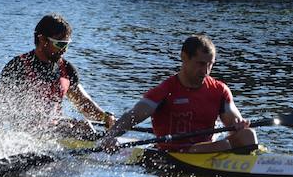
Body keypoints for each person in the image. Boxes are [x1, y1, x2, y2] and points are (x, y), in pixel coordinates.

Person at [100, 35, 257, 153]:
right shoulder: (165, 90)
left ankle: (258, 165)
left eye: (210, 65)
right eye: (201, 64)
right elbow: (132, 116)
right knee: (223, 145)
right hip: (177, 151)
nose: (205, 71)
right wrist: (110, 137)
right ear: (184, 57)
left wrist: (238, 126)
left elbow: (233, 122)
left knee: (248, 135)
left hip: (208, 148)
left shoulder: (219, 90)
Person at [0, 13, 115, 138]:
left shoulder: (67, 69)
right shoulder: (17, 67)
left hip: (55, 128)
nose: (65, 49)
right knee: (72, 128)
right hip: (24, 134)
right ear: (42, 39)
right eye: (60, 44)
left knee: (86, 126)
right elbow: (2, 109)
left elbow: (83, 103)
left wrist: (105, 117)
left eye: (67, 44)